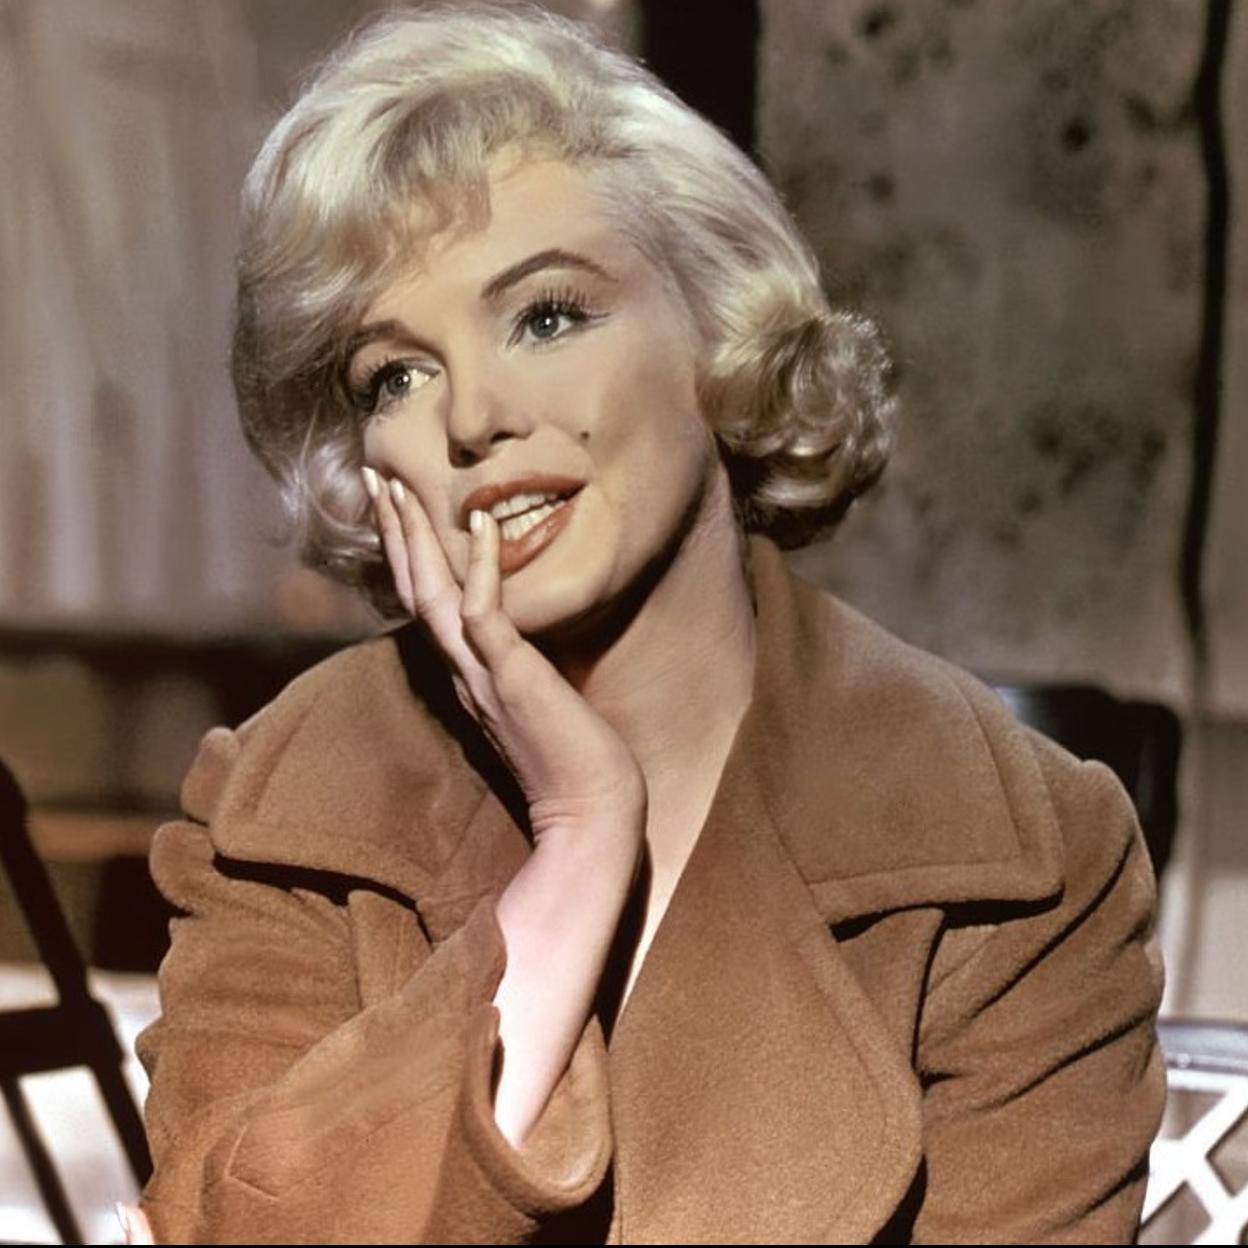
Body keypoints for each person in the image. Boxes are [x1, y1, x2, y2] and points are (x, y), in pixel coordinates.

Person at [133, 3, 1165, 1242]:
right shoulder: (281, 813)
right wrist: (577, 848)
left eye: (547, 315)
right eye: (395, 375)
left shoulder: (1022, 857)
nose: (473, 417)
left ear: (718, 332)